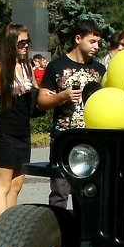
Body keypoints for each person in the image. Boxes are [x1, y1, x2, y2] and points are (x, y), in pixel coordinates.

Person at [38, 20, 107, 209]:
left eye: (98, 43)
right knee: (60, 191)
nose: (96, 47)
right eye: (92, 41)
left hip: (91, 140)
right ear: (78, 39)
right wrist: (62, 96)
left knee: (86, 193)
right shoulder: (56, 66)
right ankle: (57, 234)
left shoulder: (100, 70)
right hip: (63, 137)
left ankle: (82, 237)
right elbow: (41, 101)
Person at [0, 24, 36, 219]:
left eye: (28, 42)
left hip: (23, 131)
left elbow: (36, 95)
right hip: (5, 132)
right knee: (2, 185)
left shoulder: (27, 66)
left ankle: (10, 229)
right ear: (10, 43)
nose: (25, 46)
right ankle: (0, 232)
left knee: (16, 185)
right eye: (21, 42)